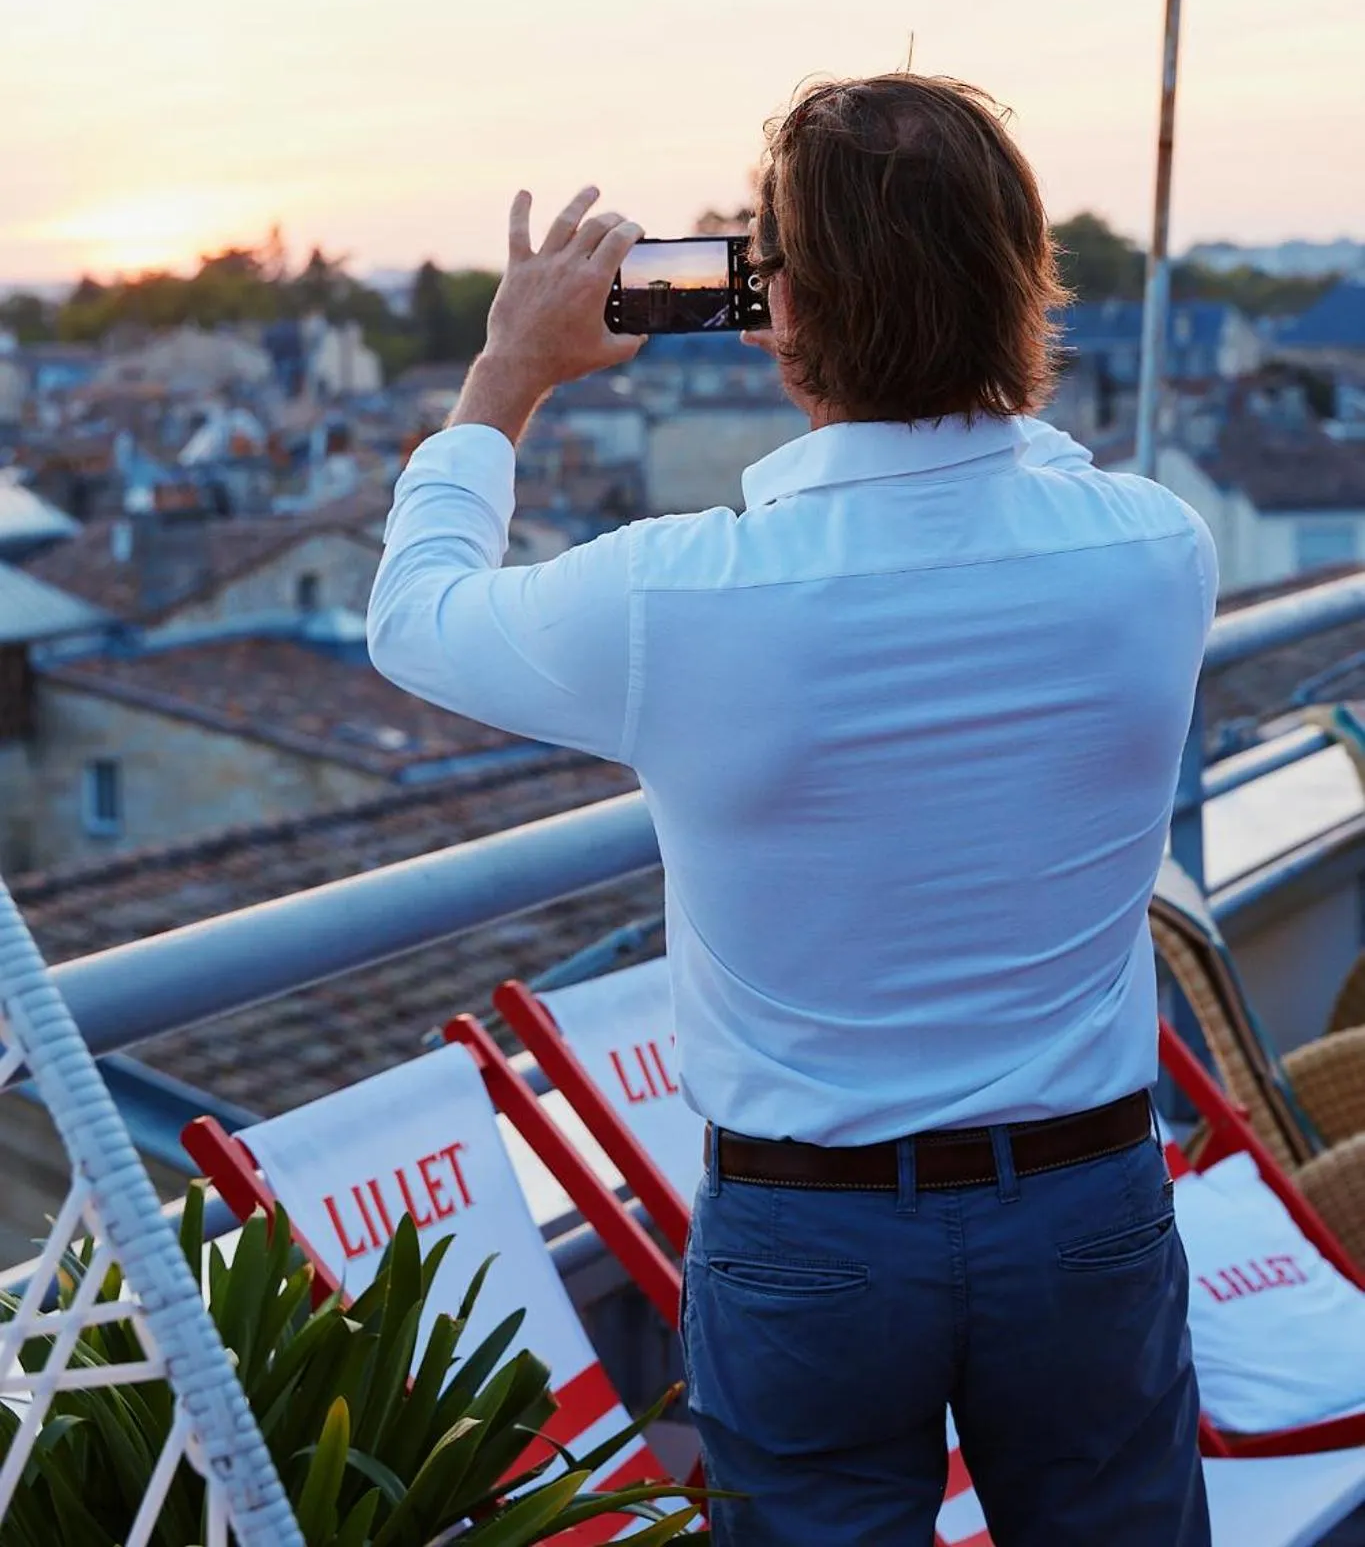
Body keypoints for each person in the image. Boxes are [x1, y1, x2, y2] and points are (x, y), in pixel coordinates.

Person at [367, 74, 1217, 1547]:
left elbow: (416, 618)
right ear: (1026, 278)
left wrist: (508, 372)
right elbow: (1015, 481)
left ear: (777, 312)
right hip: (1087, 1203)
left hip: (809, 1230)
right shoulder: (1157, 551)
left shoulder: (682, 594)